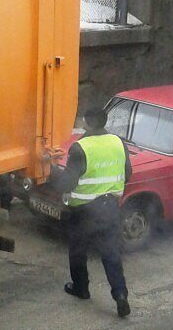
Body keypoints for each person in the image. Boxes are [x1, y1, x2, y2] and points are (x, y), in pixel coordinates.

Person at [52, 107, 132, 318]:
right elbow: (128, 173)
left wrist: (50, 166)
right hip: (109, 208)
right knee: (111, 253)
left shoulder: (80, 148)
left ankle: (81, 288)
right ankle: (120, 294)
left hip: (84, 211)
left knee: (78, 251)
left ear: (86, 122)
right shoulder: (117, 142)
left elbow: (65, 184)